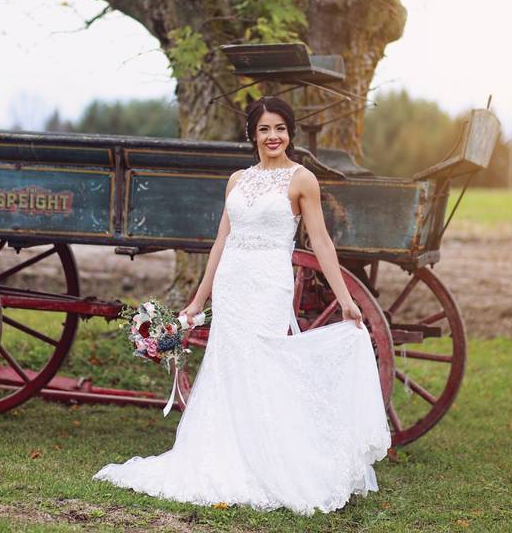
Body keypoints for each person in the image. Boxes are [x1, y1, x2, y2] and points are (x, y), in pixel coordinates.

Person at [93, 96, 391, 515]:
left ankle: (273, 458)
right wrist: (197, 301)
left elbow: (320, 241)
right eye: (265, 129)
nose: (273, 137)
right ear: (252, 134)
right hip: (233, 283)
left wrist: (345, 299)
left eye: (280, 129)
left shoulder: (302, 179)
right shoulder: (237, 180)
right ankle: (223, 455)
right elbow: (222, 241)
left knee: (262, 361)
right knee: (227, 364)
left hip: (267, 284)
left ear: (290, 133)